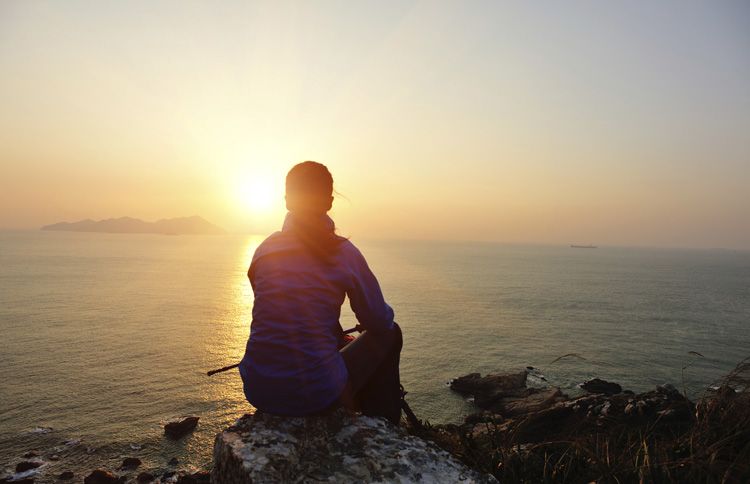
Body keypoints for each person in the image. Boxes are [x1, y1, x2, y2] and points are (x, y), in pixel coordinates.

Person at [239, 161, 403, 424]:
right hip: (316, 395)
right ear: (328, 202)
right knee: (392, 334)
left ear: (286, 200)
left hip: (259, 389)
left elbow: (284, 312)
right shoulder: (344, 253)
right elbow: (379, 322)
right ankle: (383, 424)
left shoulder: (264, 251)